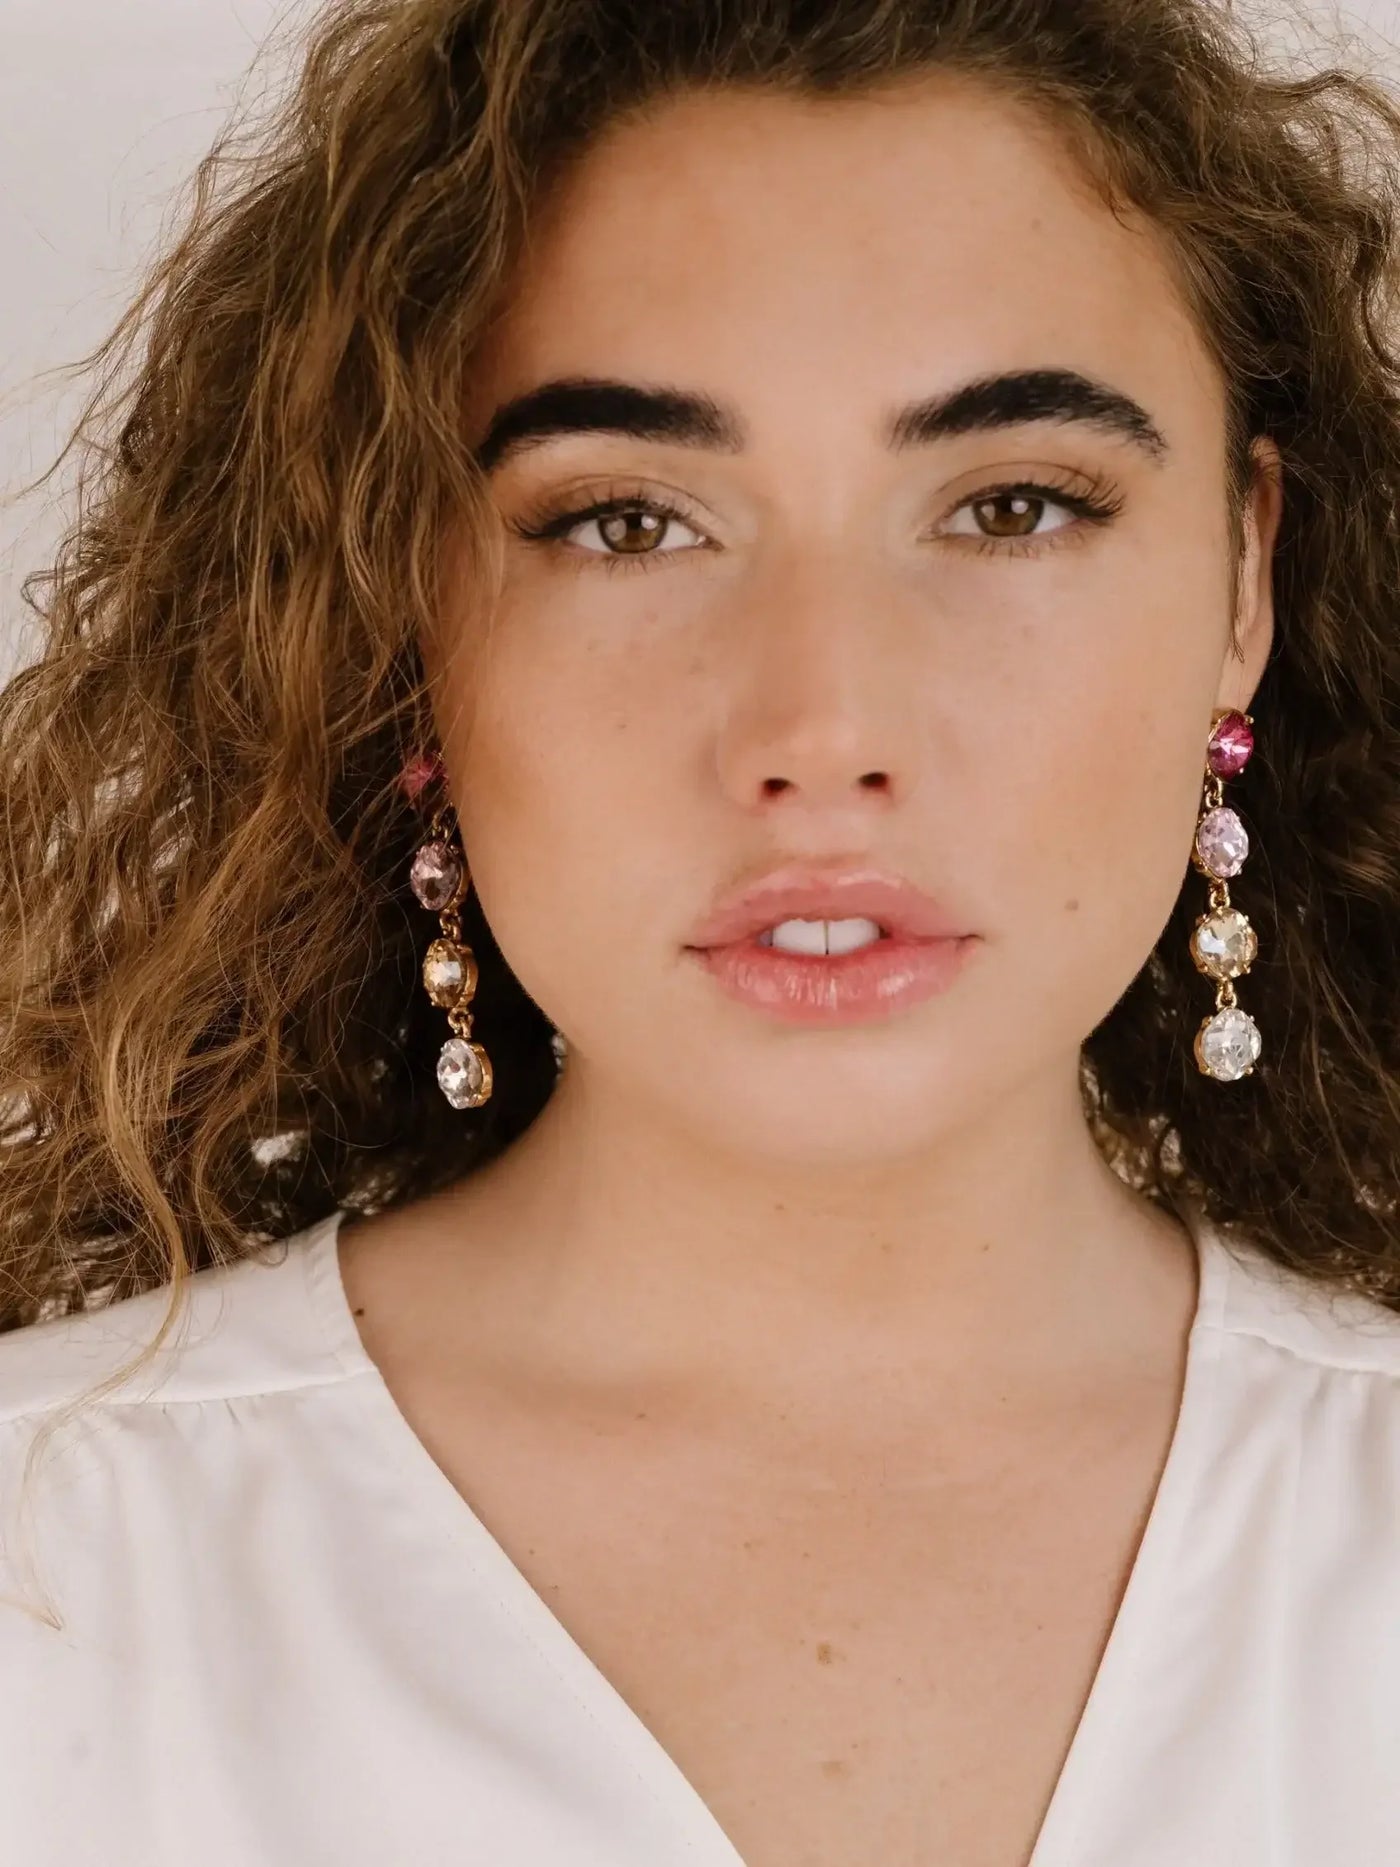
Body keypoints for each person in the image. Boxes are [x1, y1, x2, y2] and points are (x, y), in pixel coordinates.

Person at [2, 0, 1400, 1859]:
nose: (823, 731)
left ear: (1245, 575)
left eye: (1011, 506)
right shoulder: (50, 1568)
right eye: (626, 526)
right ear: (402, 608)